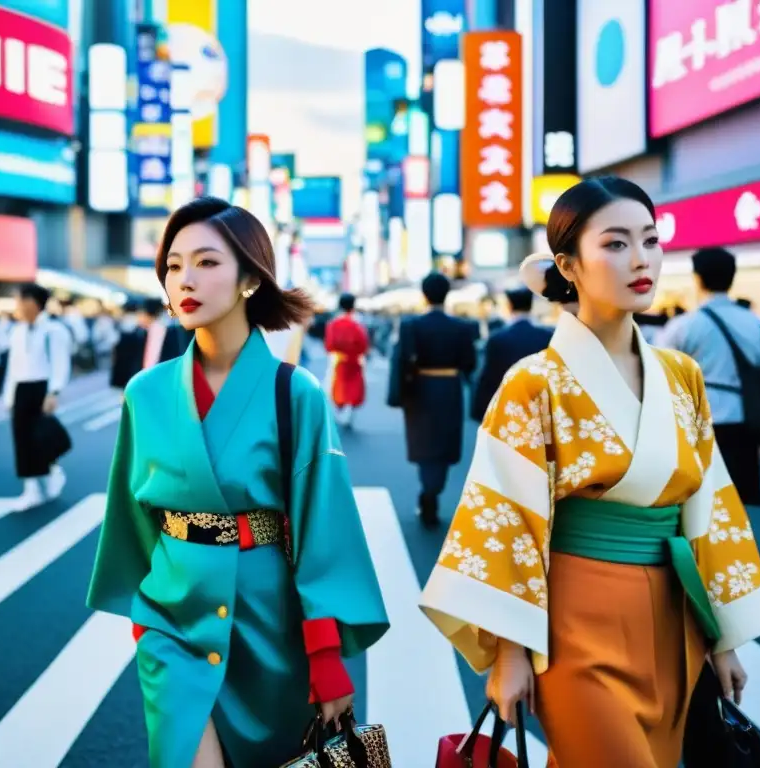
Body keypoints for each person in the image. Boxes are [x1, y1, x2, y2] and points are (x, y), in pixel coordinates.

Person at [419, 177, 760, 767]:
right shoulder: (533, 380)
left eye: (650, 240)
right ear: (569, 263)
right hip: (575, 618)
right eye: (615, 244)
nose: (641, 259)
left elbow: (710, 510)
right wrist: (512, 652)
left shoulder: (682, 374)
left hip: (674, 621)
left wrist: (723, 640)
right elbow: (505, 520)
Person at [86, 197, 389, 768]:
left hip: (270, 623)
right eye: (174, 266)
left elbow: (321, 532)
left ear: (251, 277)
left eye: (206, 262)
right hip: (171, 619)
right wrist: (143, 618)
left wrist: (325, 656)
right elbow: (132, 521)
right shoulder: (144, 394)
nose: (185, 280)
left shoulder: (295, 392)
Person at [656, 247, 760, 505]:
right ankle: (736, 543)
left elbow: (660, 372)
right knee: (736, 498)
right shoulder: (758, 324)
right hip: (745, 418)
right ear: (732, 277)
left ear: (697, 278)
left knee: (699, 496)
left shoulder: (685, 325)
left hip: (698, 418)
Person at [388, 272, 477, 528]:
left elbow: (401, 362)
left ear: (424, 294)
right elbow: (469, 364)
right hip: (449, 389)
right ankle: (432, 490)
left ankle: (428, 491)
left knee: (423, 444)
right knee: (445, 445)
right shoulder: (462, 327)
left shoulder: (411, 325)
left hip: (420, 390)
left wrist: (397, 396)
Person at [2, 283, 72, 512]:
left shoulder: (54, 330)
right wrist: (9, 396)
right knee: (21, 440)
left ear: (32, 302)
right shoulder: (17, 331)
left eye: (19, 300)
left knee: (41, 436)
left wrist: (54, 391)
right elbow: (12, 367)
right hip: (21, 387)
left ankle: (52, 470)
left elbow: (60, 362)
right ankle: (31, 490)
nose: (17, 306)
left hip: (42, 387)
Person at [471, 287, 552, 422]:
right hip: (539, 404)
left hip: (507, 405)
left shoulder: (498, 338)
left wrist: (480, 411)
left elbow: (489, 377)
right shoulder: (547, 336)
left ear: (509, 306)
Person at [324, 293, 369, 427]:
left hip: (338, 360)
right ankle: (349, 414)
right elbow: (363, 344)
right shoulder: (357, 323)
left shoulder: (333, 323)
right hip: (355, 360)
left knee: (337, 386)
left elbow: (329, 345)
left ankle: (339, 411)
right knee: (354, 387)